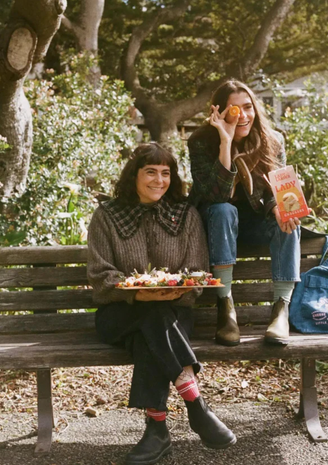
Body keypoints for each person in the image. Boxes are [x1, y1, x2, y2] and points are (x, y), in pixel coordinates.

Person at [87, 143, 236, 465]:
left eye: (165, 173)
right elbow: (100, 277)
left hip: (173, 312)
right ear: (134, 175)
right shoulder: (107, 216)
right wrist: (136, 292)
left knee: (151, 329)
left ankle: (157, 432)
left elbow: (196, 271)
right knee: (151, 314)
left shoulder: (185, 215)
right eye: (150, 172)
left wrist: (177, 290)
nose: (159, 180)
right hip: (118, 313)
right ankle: (196, 406)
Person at [188, 80, 302, 347]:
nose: (243, 115)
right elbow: (217, 196)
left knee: (288, 220)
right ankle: (225, 306)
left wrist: (279, 208)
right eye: (234, 109)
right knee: (223, 209)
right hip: (215, 225)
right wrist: (225, 141)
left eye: (248, 107)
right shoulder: (200, 141)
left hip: (252, 224)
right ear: (219, 112)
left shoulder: (272, 140)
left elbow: (279, 185)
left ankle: (281, 310)